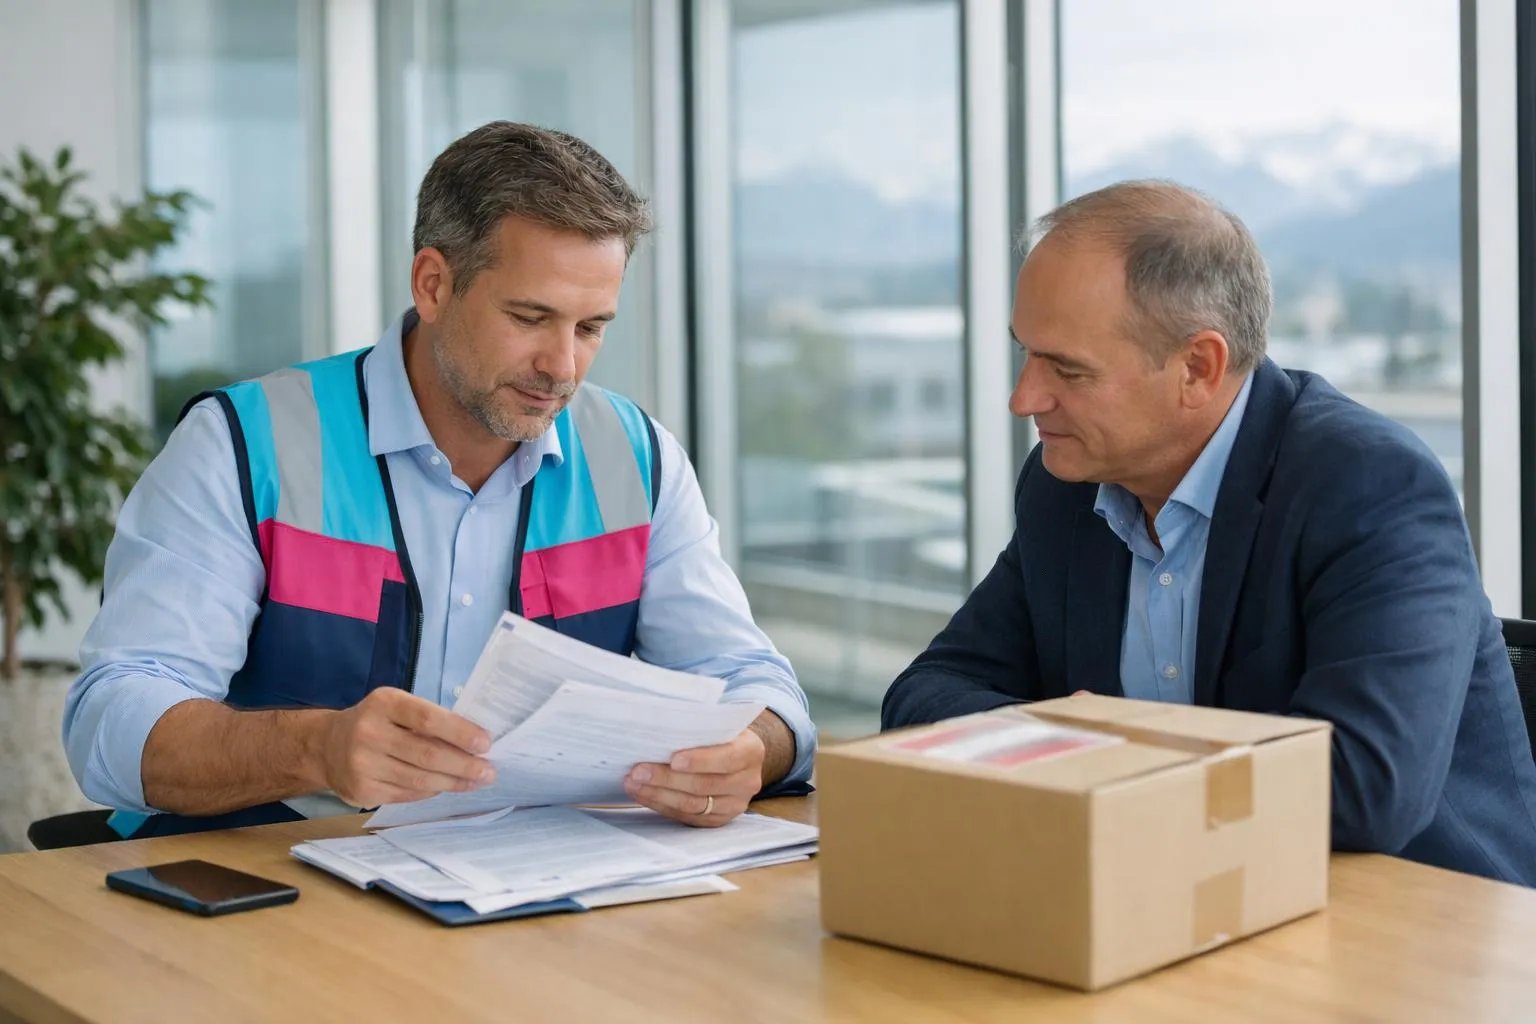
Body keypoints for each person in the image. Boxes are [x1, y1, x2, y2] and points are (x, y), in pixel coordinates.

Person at [64, 121, 814, 838]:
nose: (563, 366)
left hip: (535, 885)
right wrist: (315, 748)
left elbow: (753, 681)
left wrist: (751, 749)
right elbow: (111, 723)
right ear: (432, 284)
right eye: (530, 317)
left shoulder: (637, 458)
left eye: (590, 328)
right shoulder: (239, 446)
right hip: (273, 886)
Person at [882, 180, 1536, 885]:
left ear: (1198, 367)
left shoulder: (1368, 483)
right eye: (1027, 354)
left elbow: (1364, 790)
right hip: (1183, 895)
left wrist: (1108, 745)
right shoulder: (1065, 487)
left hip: (1421, 916)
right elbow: (925, 694)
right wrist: (1068, 741)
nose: (1024, 398)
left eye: (1067, 369)